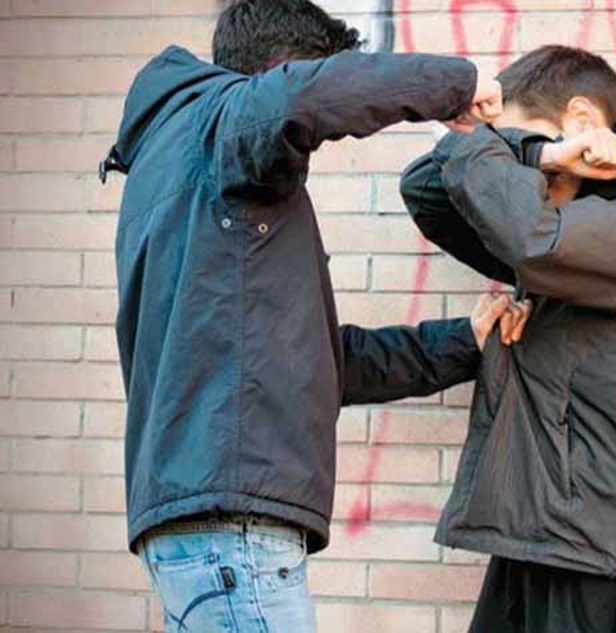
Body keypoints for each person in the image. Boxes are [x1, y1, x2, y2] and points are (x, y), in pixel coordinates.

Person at [101, 1, 528, 630]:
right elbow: (297, 98)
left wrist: (463, 341)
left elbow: (319, 361)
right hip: (234, 531)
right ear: (279, 71)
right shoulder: (223, 124)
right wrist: (457, 86)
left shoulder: (196, 182)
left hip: (208, 530)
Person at [401, 45, 616, 632]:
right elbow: (427, 193)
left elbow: (532, 239)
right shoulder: (582, 207)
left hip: (607, 541)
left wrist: (490, 145)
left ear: (582, 118)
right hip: (535, 525)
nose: (530, 184)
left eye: (538, 167)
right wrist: (538, 152)